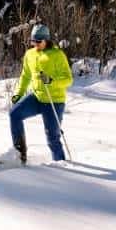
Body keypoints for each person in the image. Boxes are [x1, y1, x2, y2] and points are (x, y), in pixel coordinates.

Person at [9, 24, 73, 164]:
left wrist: (51, 81)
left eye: (39, 41)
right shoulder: (30, 55)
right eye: (33, 41)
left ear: (47, 40)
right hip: (37, 97)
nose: (36, 44)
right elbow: (25, 76)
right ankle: (20, 154)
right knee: (14, 114)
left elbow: (68, 80)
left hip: (54, 101)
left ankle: (61, 163)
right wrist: (18, 94)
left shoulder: (57, 55)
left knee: (52, 137)